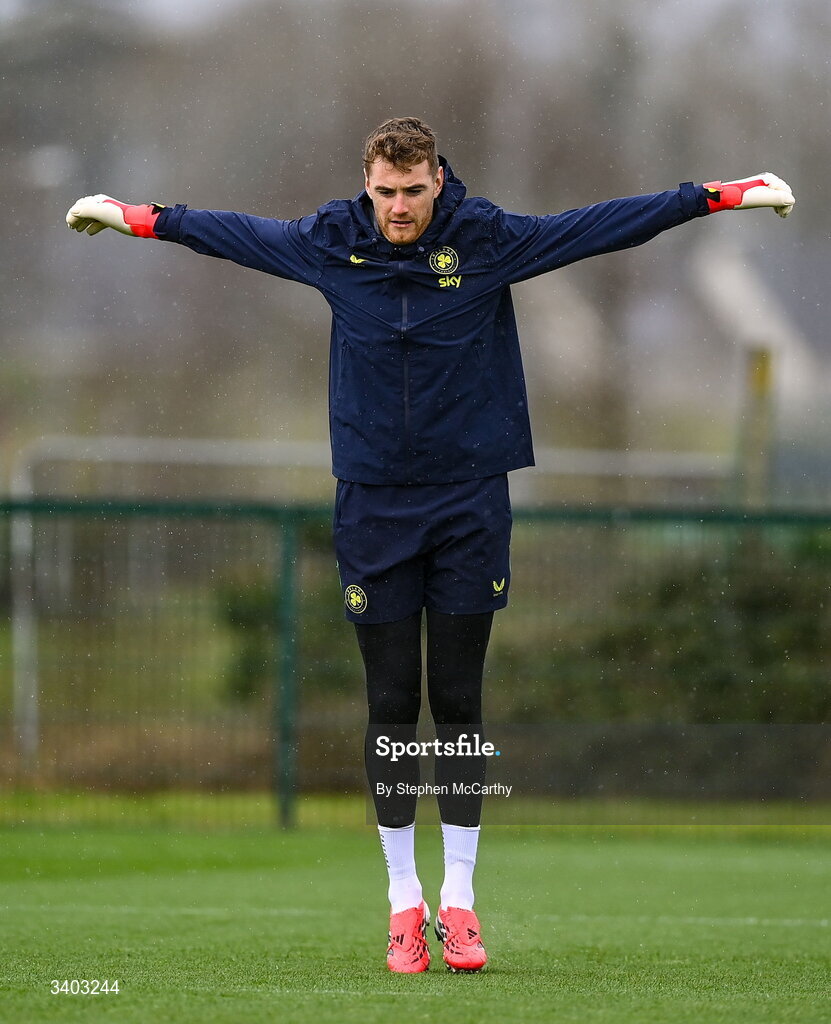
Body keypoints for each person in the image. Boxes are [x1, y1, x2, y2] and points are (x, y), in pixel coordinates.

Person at [66, 117, 794, 973]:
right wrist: (130, 214)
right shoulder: (327, 243)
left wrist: (719, 195)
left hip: (468, 502)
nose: (400, 207)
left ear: (438, 179)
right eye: (386, 192)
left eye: (414, 191)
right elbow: (228, 233)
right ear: (366, 184)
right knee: (388, 703)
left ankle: (459, 901)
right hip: (373, 504)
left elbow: (601, 225)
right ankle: (401, 904)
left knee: (455, 699)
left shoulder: (485, 240)